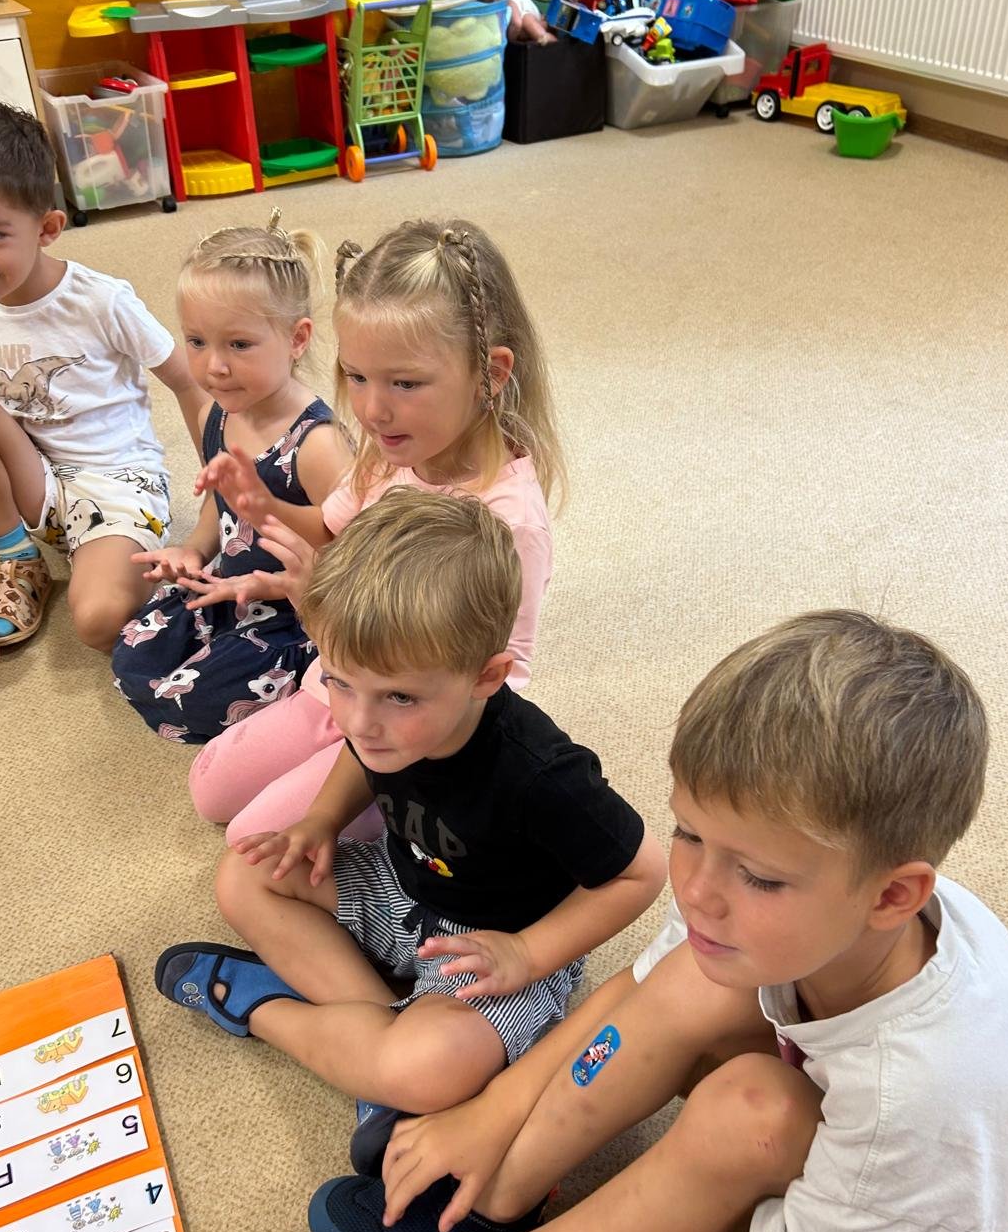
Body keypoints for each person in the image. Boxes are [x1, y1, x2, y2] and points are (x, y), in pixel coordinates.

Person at [302, 611, 1008, 1232]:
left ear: (894, 895)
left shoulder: (928, 1092)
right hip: (866, 1145)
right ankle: (502, 1201)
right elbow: (642, 990)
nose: (696, 890)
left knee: (740, 1131)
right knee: (700, 987)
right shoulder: (797, 916)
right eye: (689, 834)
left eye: (758, 877)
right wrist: (501, 1107)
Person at [156, 489, 665, 1181]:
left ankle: (258, 1004)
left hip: (493, 948)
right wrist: (320, 821)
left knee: (431, 1068)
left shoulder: (541, 772)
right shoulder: (383, 725)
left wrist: (528, 952)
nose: (359, 721)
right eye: (339, 682)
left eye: (398, 696)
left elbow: (643, 872)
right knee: (246, 873)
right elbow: (360, 753)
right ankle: (378, 1049)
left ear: (487, 676)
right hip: (399, 890)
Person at [186, 216, 564, 846]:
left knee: (249, 843)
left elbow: (485, 684)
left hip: (417, 728)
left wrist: (317, 609)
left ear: (492, 374)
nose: (371, 409)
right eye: (357, 377)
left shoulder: (507, 523)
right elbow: (332, 528)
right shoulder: (394, 451)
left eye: (404, 383)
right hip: (340, 679)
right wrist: (263, 505)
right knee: (210, 790)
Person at [0, 100, 206, 652]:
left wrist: (221, 494)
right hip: (36, 478)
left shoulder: (102, 300)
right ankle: (18, 558)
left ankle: (106, 558)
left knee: (99, 621)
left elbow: (188, 380)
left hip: (117, 483)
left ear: (48, 228)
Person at [111, 218, 350, 741]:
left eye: (239, 344)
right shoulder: (214, 414)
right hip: (229, 588)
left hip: (301, 609)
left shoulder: (316, 444)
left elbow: (349, 546)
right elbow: (216, 505)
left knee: (197, 695)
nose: (214, 366)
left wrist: (269, 513)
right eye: (196, 341)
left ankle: (311, 696)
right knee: (131, 656)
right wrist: (194, 552)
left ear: (297, 339)